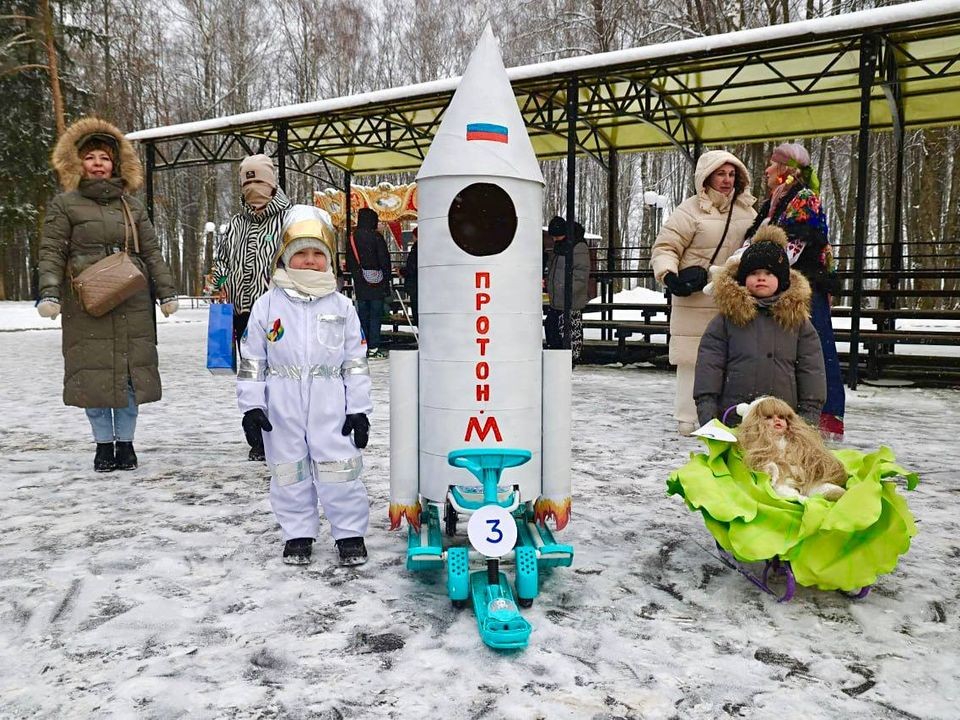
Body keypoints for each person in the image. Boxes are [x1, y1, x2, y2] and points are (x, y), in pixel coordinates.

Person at [37, 117, 178, 472]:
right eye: (90, 157)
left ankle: (126, 443)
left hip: (132, 300)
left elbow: (152, 252)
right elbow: (51, 251)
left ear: (116, 163)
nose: (98, 163)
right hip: (86, 304)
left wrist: (166, 292)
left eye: (104, 156)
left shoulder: (133, 206)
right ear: (77, 163)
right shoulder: (64, 204)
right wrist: (49, 293)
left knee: (130, 376)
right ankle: (103, 444)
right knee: (95, 377)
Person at [237, 205, 372, 567]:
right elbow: (253, 360)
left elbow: (355, 362)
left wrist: (358, 408)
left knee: (340, 468)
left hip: (331, 401)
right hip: (282, 401)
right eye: (301, 253)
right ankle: (297, 533)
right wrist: (253, 406)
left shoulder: (343, 307)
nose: (309, 261)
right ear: (285, 257)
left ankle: (349, 533)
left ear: (328, 260)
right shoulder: (267, 306)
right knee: (288, 470)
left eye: (317, 254)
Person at [744, 142, 845, 441]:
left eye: (772, 165)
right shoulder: (775, 201)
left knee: (816, 349)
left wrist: (764, 264)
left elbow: (793, 248)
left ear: (787, 169)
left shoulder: (803, 199)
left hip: (807, 287)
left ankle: (827, 416)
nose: (766, 170)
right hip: (784, 286)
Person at [651, 150, 757, 436]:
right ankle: (686, 416)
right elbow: (665, 248)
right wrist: (670, 275)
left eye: (732, 174)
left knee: (731, 359)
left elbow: (756, 251)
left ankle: (727, 414)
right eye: (720, 173)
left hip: (731, 297)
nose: (726, 180)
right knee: (691, 359)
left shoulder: (748, 212)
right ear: (706, 176)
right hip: (694, 297)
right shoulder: (689, 210)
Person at [693, 225, 826, 429]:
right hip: (735, 416)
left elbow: (811, 368)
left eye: (769, 273)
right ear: (744, 278)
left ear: (781, 280)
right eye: (754, 272)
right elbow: (710, 364)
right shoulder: (726, 320)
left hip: (782, 419)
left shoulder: (797, 322)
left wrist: (809, 412)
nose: (761, 277)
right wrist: (707, 408)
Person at [213, 153, 292, 461]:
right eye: (247, 183)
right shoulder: (235, 224)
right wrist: (220, 283)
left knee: (280, 374)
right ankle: (257, 436)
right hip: (242, 314)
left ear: (272, 184)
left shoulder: (289, 219)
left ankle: (283, 432)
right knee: (252, 374)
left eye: (259, 181)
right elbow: (221, 260)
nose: (253, 190)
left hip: (279, 315)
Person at [737, 396, 847, 501]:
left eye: (781, 417)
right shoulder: (756, 445)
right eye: (769, 417)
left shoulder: (798, 440)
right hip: (780, 479)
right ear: (756, 423)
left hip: (802, 477)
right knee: (781, 489)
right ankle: (797, 500)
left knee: (816, 484)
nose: (777, 420)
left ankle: (828, 491)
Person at [345, 207, 392, 359]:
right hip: (376, 282)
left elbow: (350, 261)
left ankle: (362, 344)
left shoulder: (352, 238)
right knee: (375, 315)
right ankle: (374, 346)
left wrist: (358, 275)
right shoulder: (376, 237)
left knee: (362, 315)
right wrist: (385, 279)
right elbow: (384, 260)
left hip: (360, 282)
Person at [544, 216, 590, 363]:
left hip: (569, 302)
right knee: (553, 332)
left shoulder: (578, 247)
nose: (555, 239)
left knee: (568, 338)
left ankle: (566, 363)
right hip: (557, 300)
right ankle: (556, 363)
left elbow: (580, 275)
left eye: (558, 236)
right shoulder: (561, 247)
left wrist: (564, 290)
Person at [402, 226, 418, 325]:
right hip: (421, 286)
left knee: (416, 309)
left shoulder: (415, 250)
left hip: (414, 286)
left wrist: (403, 271)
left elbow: (411, 268)